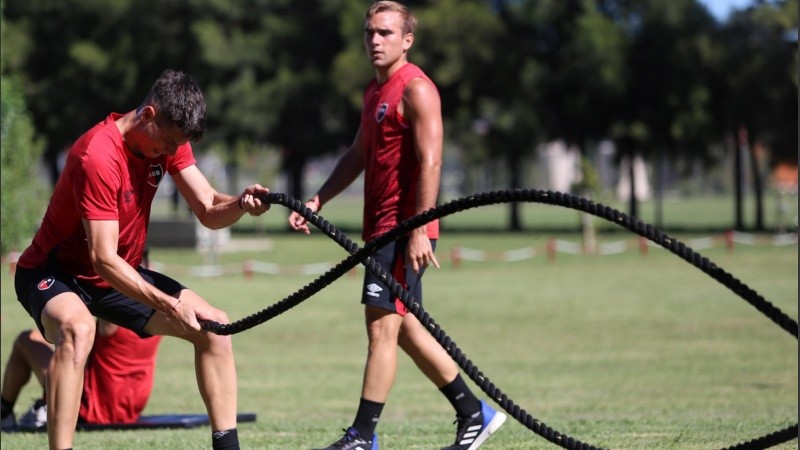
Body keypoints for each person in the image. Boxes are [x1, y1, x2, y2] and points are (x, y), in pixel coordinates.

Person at [13, 68, 270, 450]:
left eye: (175, 146)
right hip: (53, 273)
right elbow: (103, 258)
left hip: (116, 275)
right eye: (166, 142)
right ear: (148, 114)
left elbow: (207, 209)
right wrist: (169, 304)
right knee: (78, 329)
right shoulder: (97, 156)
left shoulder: (170, 138)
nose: (169, 152)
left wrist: (241, 205)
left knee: (216, 328)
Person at [288, 3, 506, 449]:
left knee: (381, 326)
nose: (374, 40)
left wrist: (418, 229)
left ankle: (362, 436)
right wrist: (317, 199)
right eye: (370, 32)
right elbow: (358, 155)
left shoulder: (417, 89)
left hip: (404, 228)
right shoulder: (374, 91)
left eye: (385, 32)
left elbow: (431, 162)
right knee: (402, 327)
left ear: (407, 40)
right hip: (381, 230)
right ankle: (473, 413)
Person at [0, 319, 162, 431]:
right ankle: (42, 405)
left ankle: (4, 412)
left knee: (26, 339)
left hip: (91, 406)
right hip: (131, 407)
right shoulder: (155, 310)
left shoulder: (115, 312)